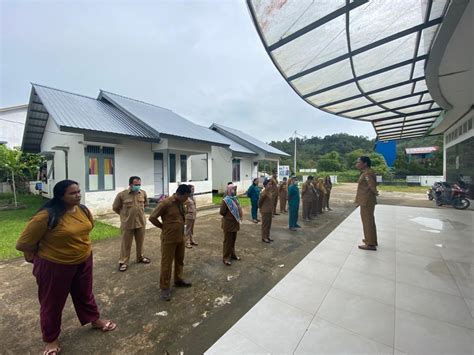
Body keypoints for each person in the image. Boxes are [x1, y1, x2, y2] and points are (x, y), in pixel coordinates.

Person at [16, 180, 116, 355]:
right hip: (55, 265)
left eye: (78, 191)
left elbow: (86, 229)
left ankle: (94, 319)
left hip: (83, 260)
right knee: (52, 303)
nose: (78, 195)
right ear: (61, 196)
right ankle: (51, 339)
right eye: (72, 193)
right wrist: (38, 260)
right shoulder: (46, 216)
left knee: (85, 293)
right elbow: (23, 243)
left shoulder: (83, 210)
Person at [149, 184, 193, 301]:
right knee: (166, 263)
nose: (187, 199)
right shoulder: (166, 203)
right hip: (168, 238)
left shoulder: (181, 203)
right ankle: (165, 288)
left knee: (180, 260)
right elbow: (152, 217)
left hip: (180, 237)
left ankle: (178, 280)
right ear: (181, 194)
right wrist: (163, 227)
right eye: (186, 197)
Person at [113, 176, 150, 272]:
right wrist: (124, 216)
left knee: (140, 242)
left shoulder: (143, 193)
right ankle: (124, 262)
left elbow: (145, 204)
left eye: (139, 184)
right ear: (130, 184)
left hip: (141, 222)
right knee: (126, 244)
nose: (137, 186)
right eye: (135, 184)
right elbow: (115, 207)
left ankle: (140, 257)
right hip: (128, 224)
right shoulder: (122, 195)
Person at [355, 156, 379, 251]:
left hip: (366, 200)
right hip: (366, 200)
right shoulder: (367, 172)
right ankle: (371, 239)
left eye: (358, 162)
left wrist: (375, 192)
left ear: (365, 163)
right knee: (369, 221)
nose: (357, 164)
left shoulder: (367, 173)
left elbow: (372, 185)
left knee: (367, 221)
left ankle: (370, 244)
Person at [220, 184, 243, 265]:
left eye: (235, 189)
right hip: (228, 224)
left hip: (235, 223)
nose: (235, 191)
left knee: (233, 240)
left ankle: (232, 255)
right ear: (229, 190)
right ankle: (226, 258)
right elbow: (222, 212)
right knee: (227, 242)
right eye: (233, 189)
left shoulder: (235, 198)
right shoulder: (225, 200)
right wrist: (229, 216)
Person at [259, 179, 274, 243]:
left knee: (269, 225)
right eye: (269, 184)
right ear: (265, 185)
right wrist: (260, 208)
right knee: (265, 225)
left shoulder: (269, 192)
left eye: (271, 184)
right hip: (265, 211)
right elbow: (260, 202)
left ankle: (267, 236)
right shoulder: (264, 193)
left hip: (269, 211)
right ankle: (264, 237)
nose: (270, 186)